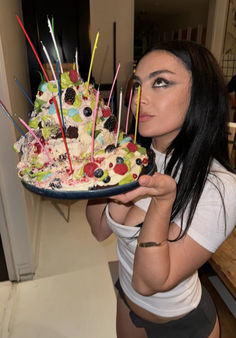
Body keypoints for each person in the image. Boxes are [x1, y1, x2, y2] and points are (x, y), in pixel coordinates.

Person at [86, 40, 236, 338]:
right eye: (138, 85)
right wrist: (95, 174)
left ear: (200, 95)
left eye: (162, 82)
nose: (139, 98)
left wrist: (163, 201)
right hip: (127, 301)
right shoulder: (133, 155)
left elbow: (149, 281)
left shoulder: (221, 187)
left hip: (180, 325)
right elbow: (99, 229)